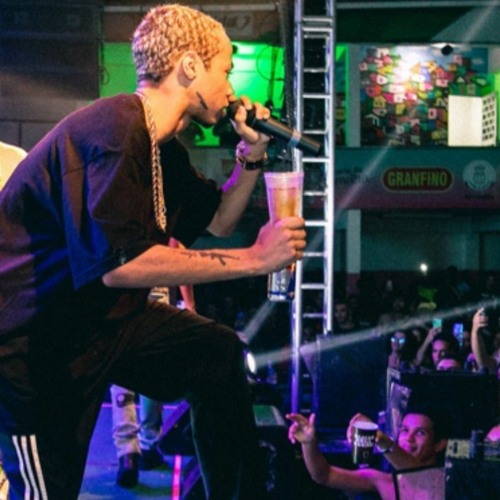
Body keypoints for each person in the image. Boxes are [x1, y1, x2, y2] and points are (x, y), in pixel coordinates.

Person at [0, 4, 307, 499]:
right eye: (226, 69)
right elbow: (121, 265)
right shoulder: (115, 127)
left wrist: (251, 154)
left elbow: (219, 219)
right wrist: (256, 258)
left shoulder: (160, 146)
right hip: (37, 347)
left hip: (104, 325)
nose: (231, 88)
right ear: (190, 66)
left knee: (215, 352)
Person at [112, 240, 196, 489]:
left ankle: (127, 451)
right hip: (156, 300)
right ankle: (149, 444)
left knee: (121, 378)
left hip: (122, 300)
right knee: (151, 373)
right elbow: (179, 252)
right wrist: (189, 304)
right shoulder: (162, 219)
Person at [287, 407, 448, 500]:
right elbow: (324, 475)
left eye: (420, 433)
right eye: (405, 430)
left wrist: (378, 436)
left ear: (440, 444)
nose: (409, 438)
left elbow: (419, 476)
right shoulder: (386, 482)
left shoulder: (447, 482)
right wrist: (308, 443)